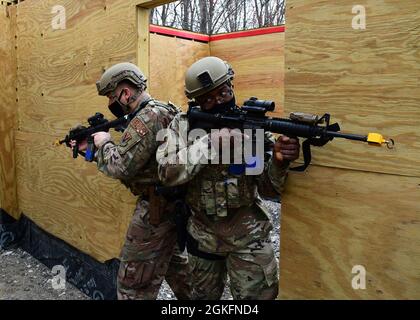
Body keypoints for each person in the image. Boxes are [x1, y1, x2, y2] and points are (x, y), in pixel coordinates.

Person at [156, 56, 300, 300]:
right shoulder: (182, 126)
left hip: (248, 237)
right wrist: (208, 143)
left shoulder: (249, 128)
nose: (218, 102)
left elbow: (268, 189)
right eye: (208, 99)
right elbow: (166, 173)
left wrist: (277, 161)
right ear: (197, 102)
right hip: (202, 236)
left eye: (223, 93)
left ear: (232, 86)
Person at [70, 62, 191, 300]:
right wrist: (92, 151)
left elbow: (121, 166)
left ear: (125, 93)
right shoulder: (163, 109)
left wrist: (104, 142)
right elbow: (140, 163)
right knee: (179, 272)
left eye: (111, 97)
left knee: (133, 285)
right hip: (173, 206)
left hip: (156, 210)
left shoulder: (146, 118)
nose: (110, 104)